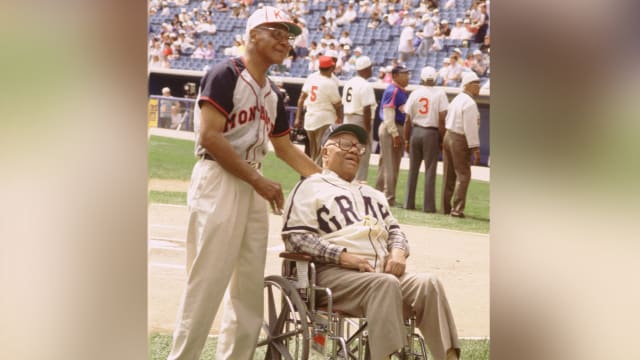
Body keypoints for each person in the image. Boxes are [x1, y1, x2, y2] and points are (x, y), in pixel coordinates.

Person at [166, 7, 321, 360]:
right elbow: (210, 137)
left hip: (253, 182)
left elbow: (284, 148)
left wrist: (329, 182)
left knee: (248, 288)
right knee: (207, 281)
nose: (285, 41)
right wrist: (258, 180)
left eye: (289, 36)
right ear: (252, 35)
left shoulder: (274, 93)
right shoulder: (225, 74)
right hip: (219, 179)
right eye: (276, 33)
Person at [281, 124, 461, 360]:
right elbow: (296, 239)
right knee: (384, 284)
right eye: (345, 144)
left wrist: (397, 251)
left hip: (379, 275)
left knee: (429, 284)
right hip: (330, 275)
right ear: (325, 152)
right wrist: (343, 256)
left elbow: (395, 230)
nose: (354, 150)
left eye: (358, 146)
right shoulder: (309, 187)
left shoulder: (372, 194)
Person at [403, 66, 449, 212]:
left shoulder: (415, 93)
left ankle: (408, 203)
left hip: (415, 132)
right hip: (431, 133)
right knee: (430, 170)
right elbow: (442, 120)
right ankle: (428, 206)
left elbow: (407, 119)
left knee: (413, 169)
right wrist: (442, 139)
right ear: (435, 78)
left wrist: (406, 139)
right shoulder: (440, 93)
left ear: (422, 78)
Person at [441, 71, 481, 218]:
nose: (479, 87)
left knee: (448, 174)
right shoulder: (470, 103)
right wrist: (475, 148)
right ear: (468, 85)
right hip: (459, 139)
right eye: (476, 84)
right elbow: (470, 128)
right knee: (463, 174)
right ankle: (457, 209)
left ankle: (445, 207)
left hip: (448, 135)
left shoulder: (457, 99)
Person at [294, 55, 343, 166]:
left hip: (310, 119)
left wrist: (298, 117)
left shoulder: (312, 78)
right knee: (321, 154)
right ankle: (315, 179)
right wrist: (340, 118)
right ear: (330, 68)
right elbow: (338, 104)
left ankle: (310, 177)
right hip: (324, 120)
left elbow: (301, 98)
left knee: (313, 154)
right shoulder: (329, 82)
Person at [375, 65, 410, 206]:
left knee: (385, 164)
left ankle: (377, 194)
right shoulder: (393, 90)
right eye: (404, 74)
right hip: (392, 127)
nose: (407, 76)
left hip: (392, 127)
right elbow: (389, 115)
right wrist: (395, 133)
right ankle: (388, 197)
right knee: (391, 165)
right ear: (395, 76)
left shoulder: (399, 90)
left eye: (408, 74)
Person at [341, 56, 377, 182]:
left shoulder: (349, 83)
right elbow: (366, 110)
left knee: (347, 154)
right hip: (360, 120)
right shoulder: (365, 85)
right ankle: (359, 184)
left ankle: (345, 181)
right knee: (362, 154)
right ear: (366, 69)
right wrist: (367, 130)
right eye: (370, 67)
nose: (372, 69)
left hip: (348, 119)